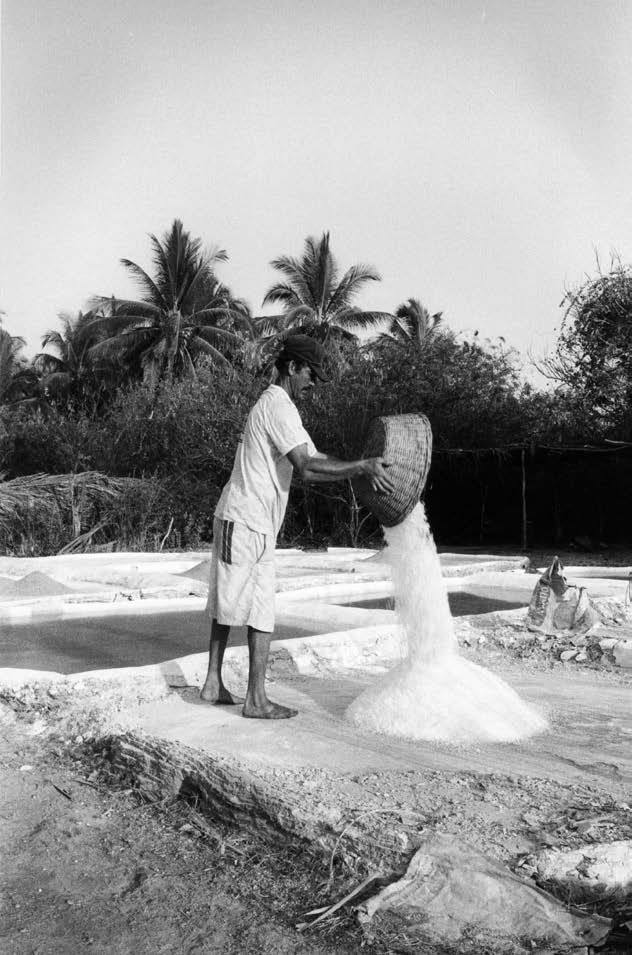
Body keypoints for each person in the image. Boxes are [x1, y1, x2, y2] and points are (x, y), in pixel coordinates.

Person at [200, 333, 393, 719]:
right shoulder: (278, 406)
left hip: (252, 521)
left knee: (239, 601)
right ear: (292, 367)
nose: (314, 383)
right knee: (249, 606)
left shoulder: (281, 407)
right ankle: (252, 698)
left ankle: (212, 683)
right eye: (311, 374)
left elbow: (312, 461)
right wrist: (361, 466)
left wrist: (358, 470)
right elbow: (306, 465)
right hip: (244, 518)